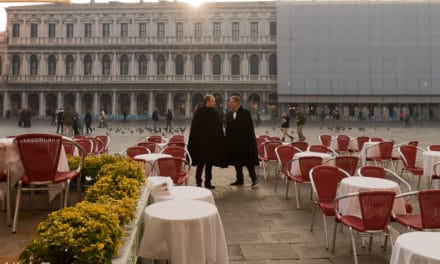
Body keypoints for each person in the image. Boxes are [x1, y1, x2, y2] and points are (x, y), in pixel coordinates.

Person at [188, 94, 226, 189]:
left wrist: (220, 140)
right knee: (200, 164)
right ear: (207, 102)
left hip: (211, 144)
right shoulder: (199, 112)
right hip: (201, 144)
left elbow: (219, 126)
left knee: (209, 164)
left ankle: (208, 182)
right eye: (213, 101)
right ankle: (198, 181)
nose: (215, 102)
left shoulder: (215, 112)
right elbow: (194, 128)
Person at [225, 95, 259, 188]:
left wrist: (249, 143)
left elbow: (249, 130)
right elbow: (227, 129)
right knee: (237, 162)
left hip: (244, 143)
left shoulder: (245, 113)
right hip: (234, 143)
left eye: (231, 101)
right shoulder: (229, 114)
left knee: (248, 163)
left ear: (236, 102)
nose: (229, 103)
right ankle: (239, 180)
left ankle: (254, 179)